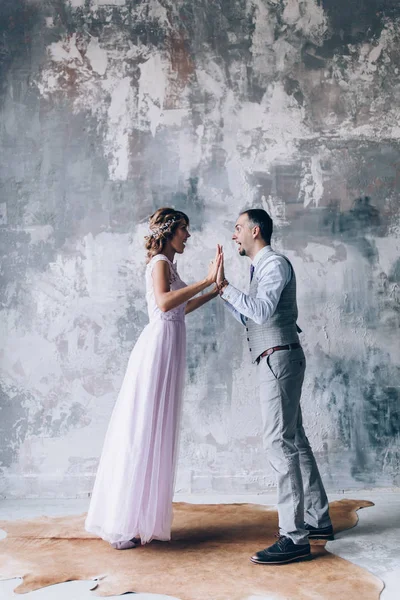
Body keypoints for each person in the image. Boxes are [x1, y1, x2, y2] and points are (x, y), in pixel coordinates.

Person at [85, 207, 222, 549]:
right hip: (158, 348)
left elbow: (179, 308)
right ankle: (124, 522)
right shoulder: (159, 263)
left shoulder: (170, 266)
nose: (188, 236)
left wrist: (214, 291)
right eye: (185, 230)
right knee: (143, 428)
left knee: (155, 428)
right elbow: (163, 304)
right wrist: (204, 281)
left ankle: (138, 519)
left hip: (170, 345)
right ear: (170, 232)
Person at [217, 208, 332, 565]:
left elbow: (263, 311)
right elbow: (253, 315)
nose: (234, 235)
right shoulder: (261, 268)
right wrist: (223, 293)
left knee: (278, 442)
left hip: (279, 360)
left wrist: (226, 287)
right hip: (278, 358)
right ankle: (318, 521)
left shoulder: (274, 265)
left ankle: (295, 537)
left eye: (238, 229)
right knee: (294, 439)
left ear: (255, 230)